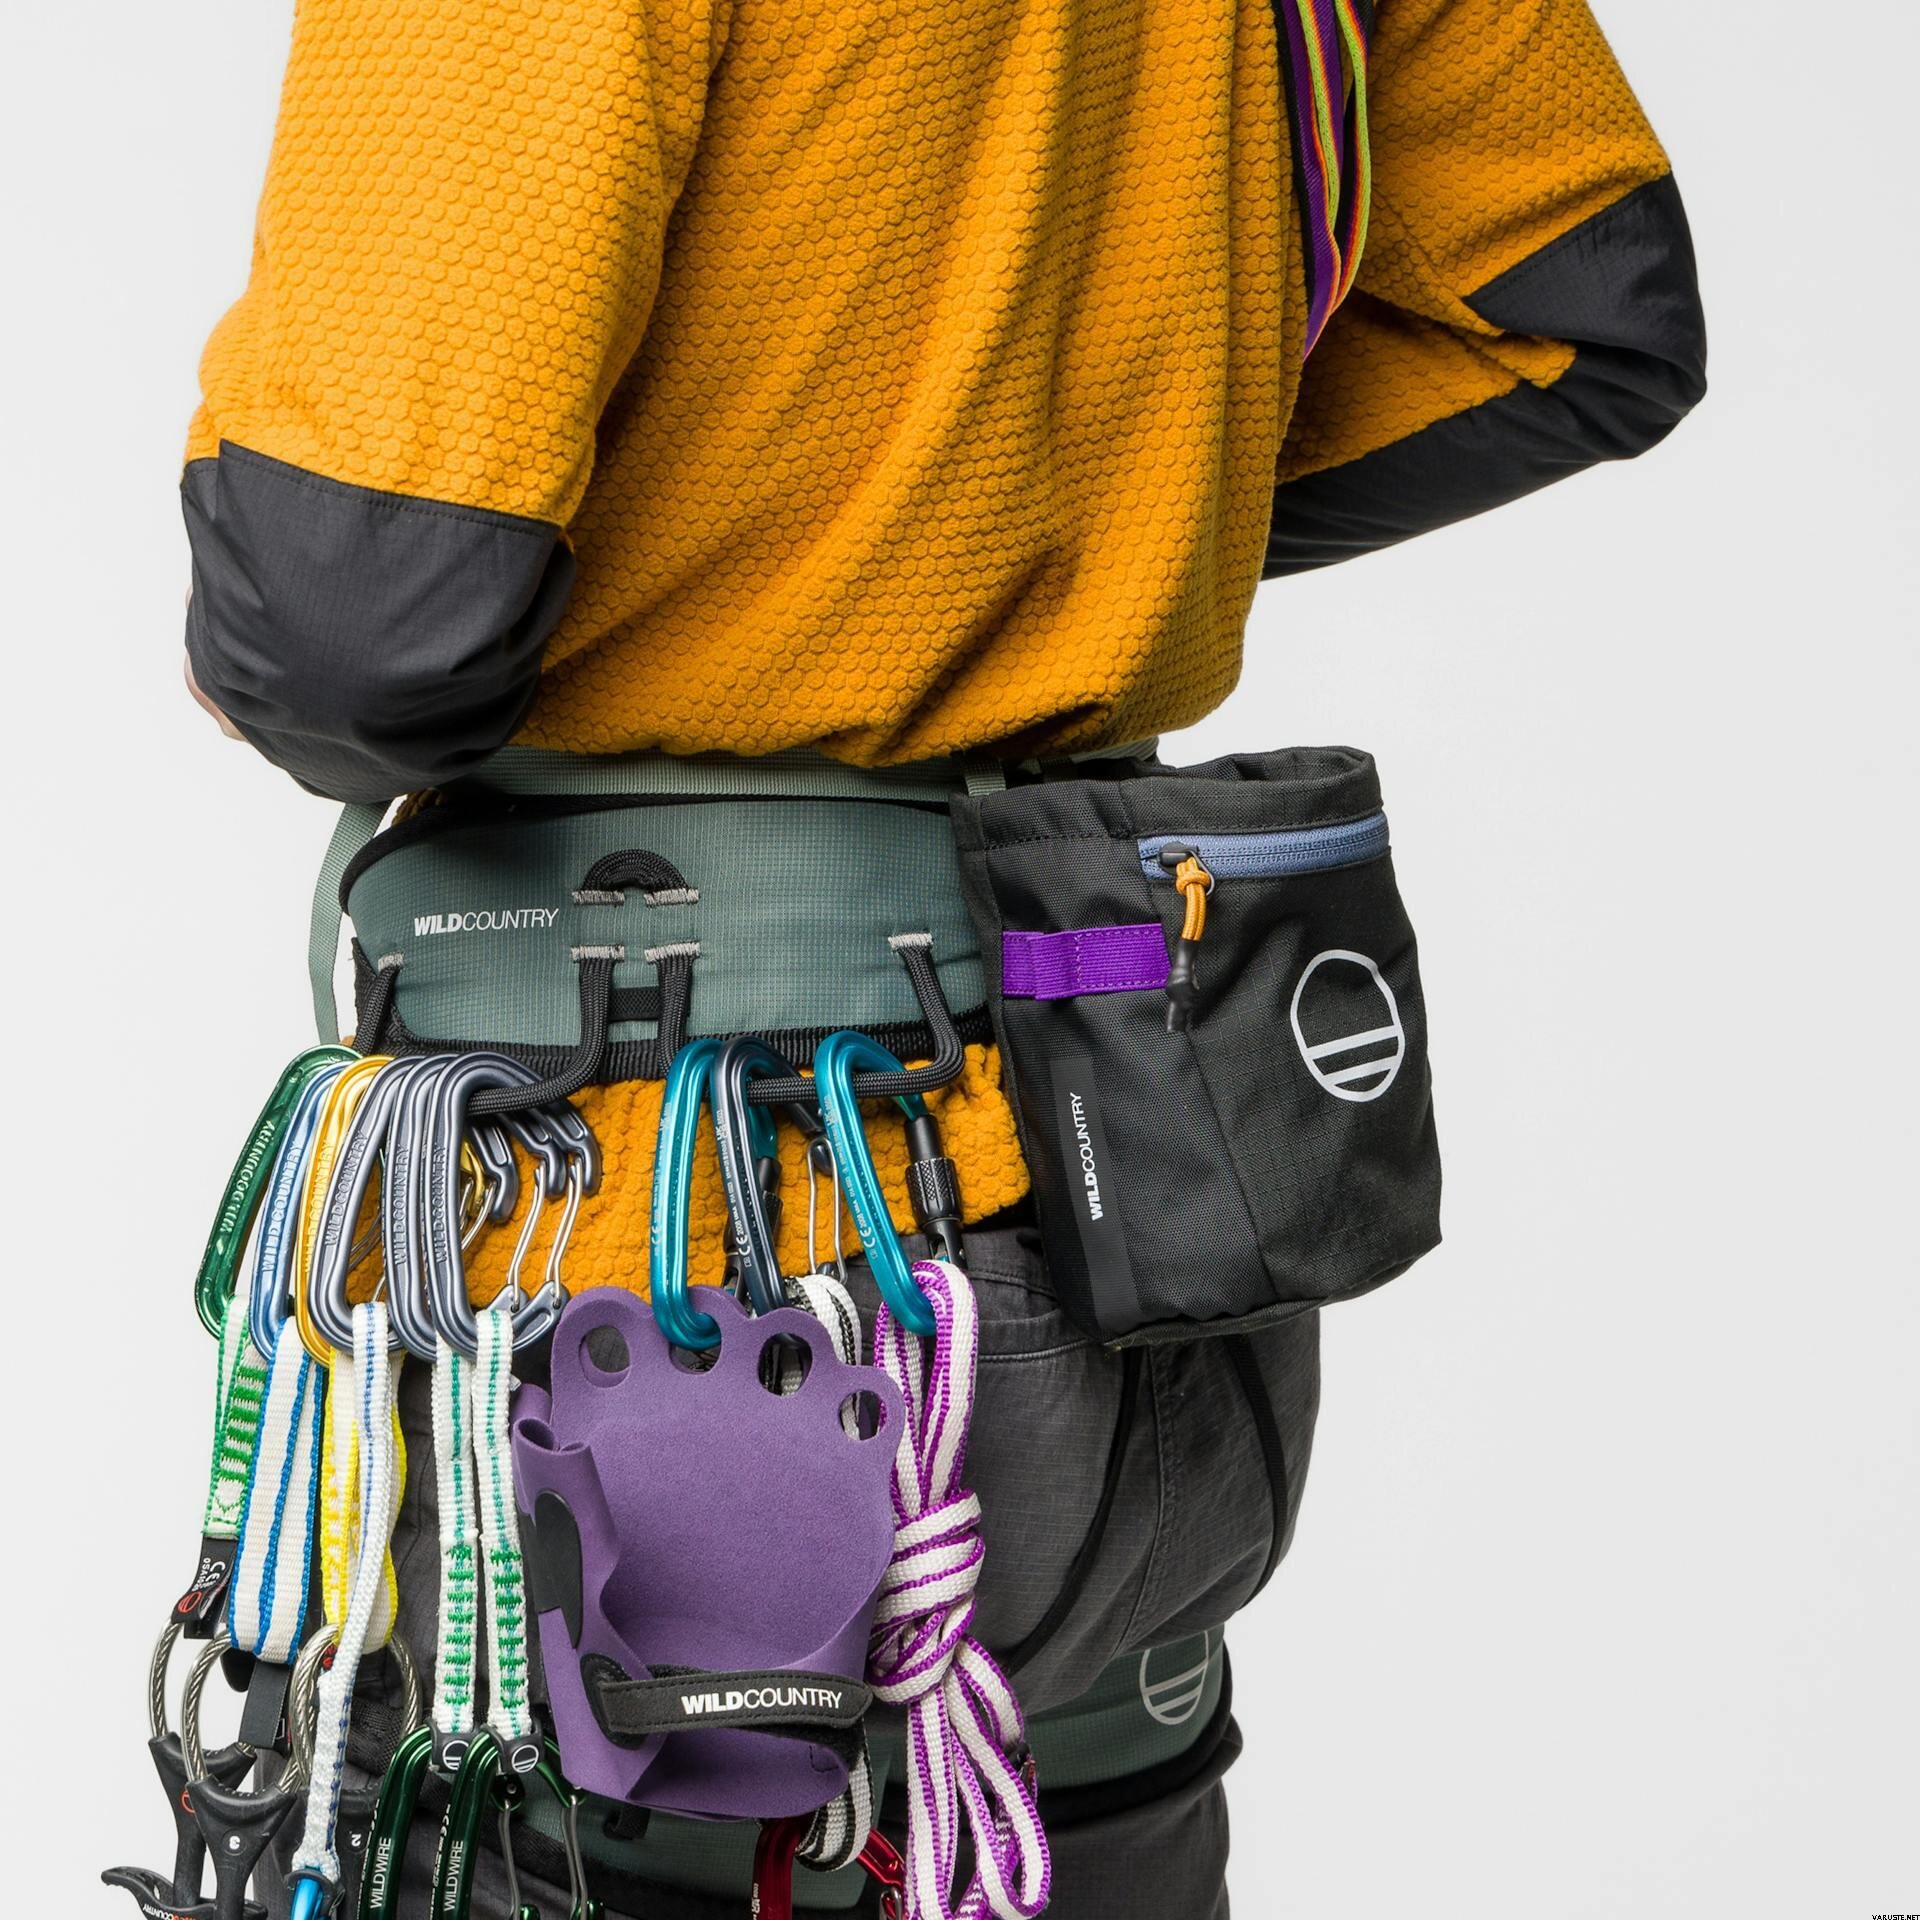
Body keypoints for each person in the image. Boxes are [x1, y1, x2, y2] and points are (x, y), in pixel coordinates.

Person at [175, 1, 1704, 1913]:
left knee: (554, 1823)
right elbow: (1576, 302)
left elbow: (355, 612)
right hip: (1117, 1186)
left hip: (646, 1232)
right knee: (1079, 1821)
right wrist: (1048, 518)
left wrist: (833, 531)